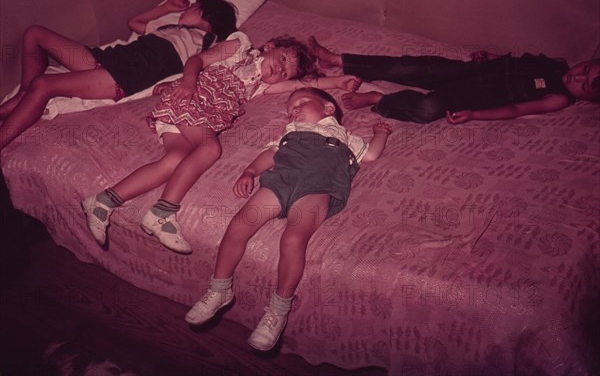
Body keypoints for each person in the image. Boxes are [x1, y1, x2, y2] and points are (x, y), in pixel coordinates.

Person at [82, 34, 362, 254]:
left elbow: (297, 87)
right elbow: (196, 60)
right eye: (283, 57)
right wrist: (189, 83)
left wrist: (339, 81)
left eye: (285, 72)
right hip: (187, 100)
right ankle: (162, 212)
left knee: (174, 161)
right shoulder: (239, 48)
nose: (280, 68)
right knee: (210, 149)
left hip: (195, 118)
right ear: (272, 45)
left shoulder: (260, 86)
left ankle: (103, 200)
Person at [184, 87, 392, 351]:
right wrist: (249, 171)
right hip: (281, 181)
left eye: (302, 103)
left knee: (293, 238)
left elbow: (371, 155)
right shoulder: (289, 133)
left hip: (318, 187)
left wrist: (381, 133)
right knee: (239, 224)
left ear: (328, 108)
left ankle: (278, 310)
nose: (294, 110)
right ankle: (219, 288)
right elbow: (271, 154)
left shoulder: (345, 136)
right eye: (290, 109)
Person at [0, 0, 237, 150]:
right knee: (35, 33)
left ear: (208, 16)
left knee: (44, 84)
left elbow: (216, 59)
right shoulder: (170, 26)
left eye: (195, 6)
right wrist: (165, 8)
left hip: (127, 73)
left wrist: (189, 80)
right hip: (109, 58)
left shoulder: (208, 40)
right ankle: (24, 95)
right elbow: (135, 24)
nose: (189, 7)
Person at [307, 36, 600, 124]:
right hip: (466, 73)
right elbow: (513, 65)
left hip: (471, 98)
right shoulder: (554, 63)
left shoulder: (559, 97)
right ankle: (337, 59)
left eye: (584, 84)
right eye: (585, 68)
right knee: (407, 67)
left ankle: (378, 100)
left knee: (426, 110)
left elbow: (515, 110)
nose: (577, 76)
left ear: (586, 98)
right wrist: (487, 59)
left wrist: (474, 114)